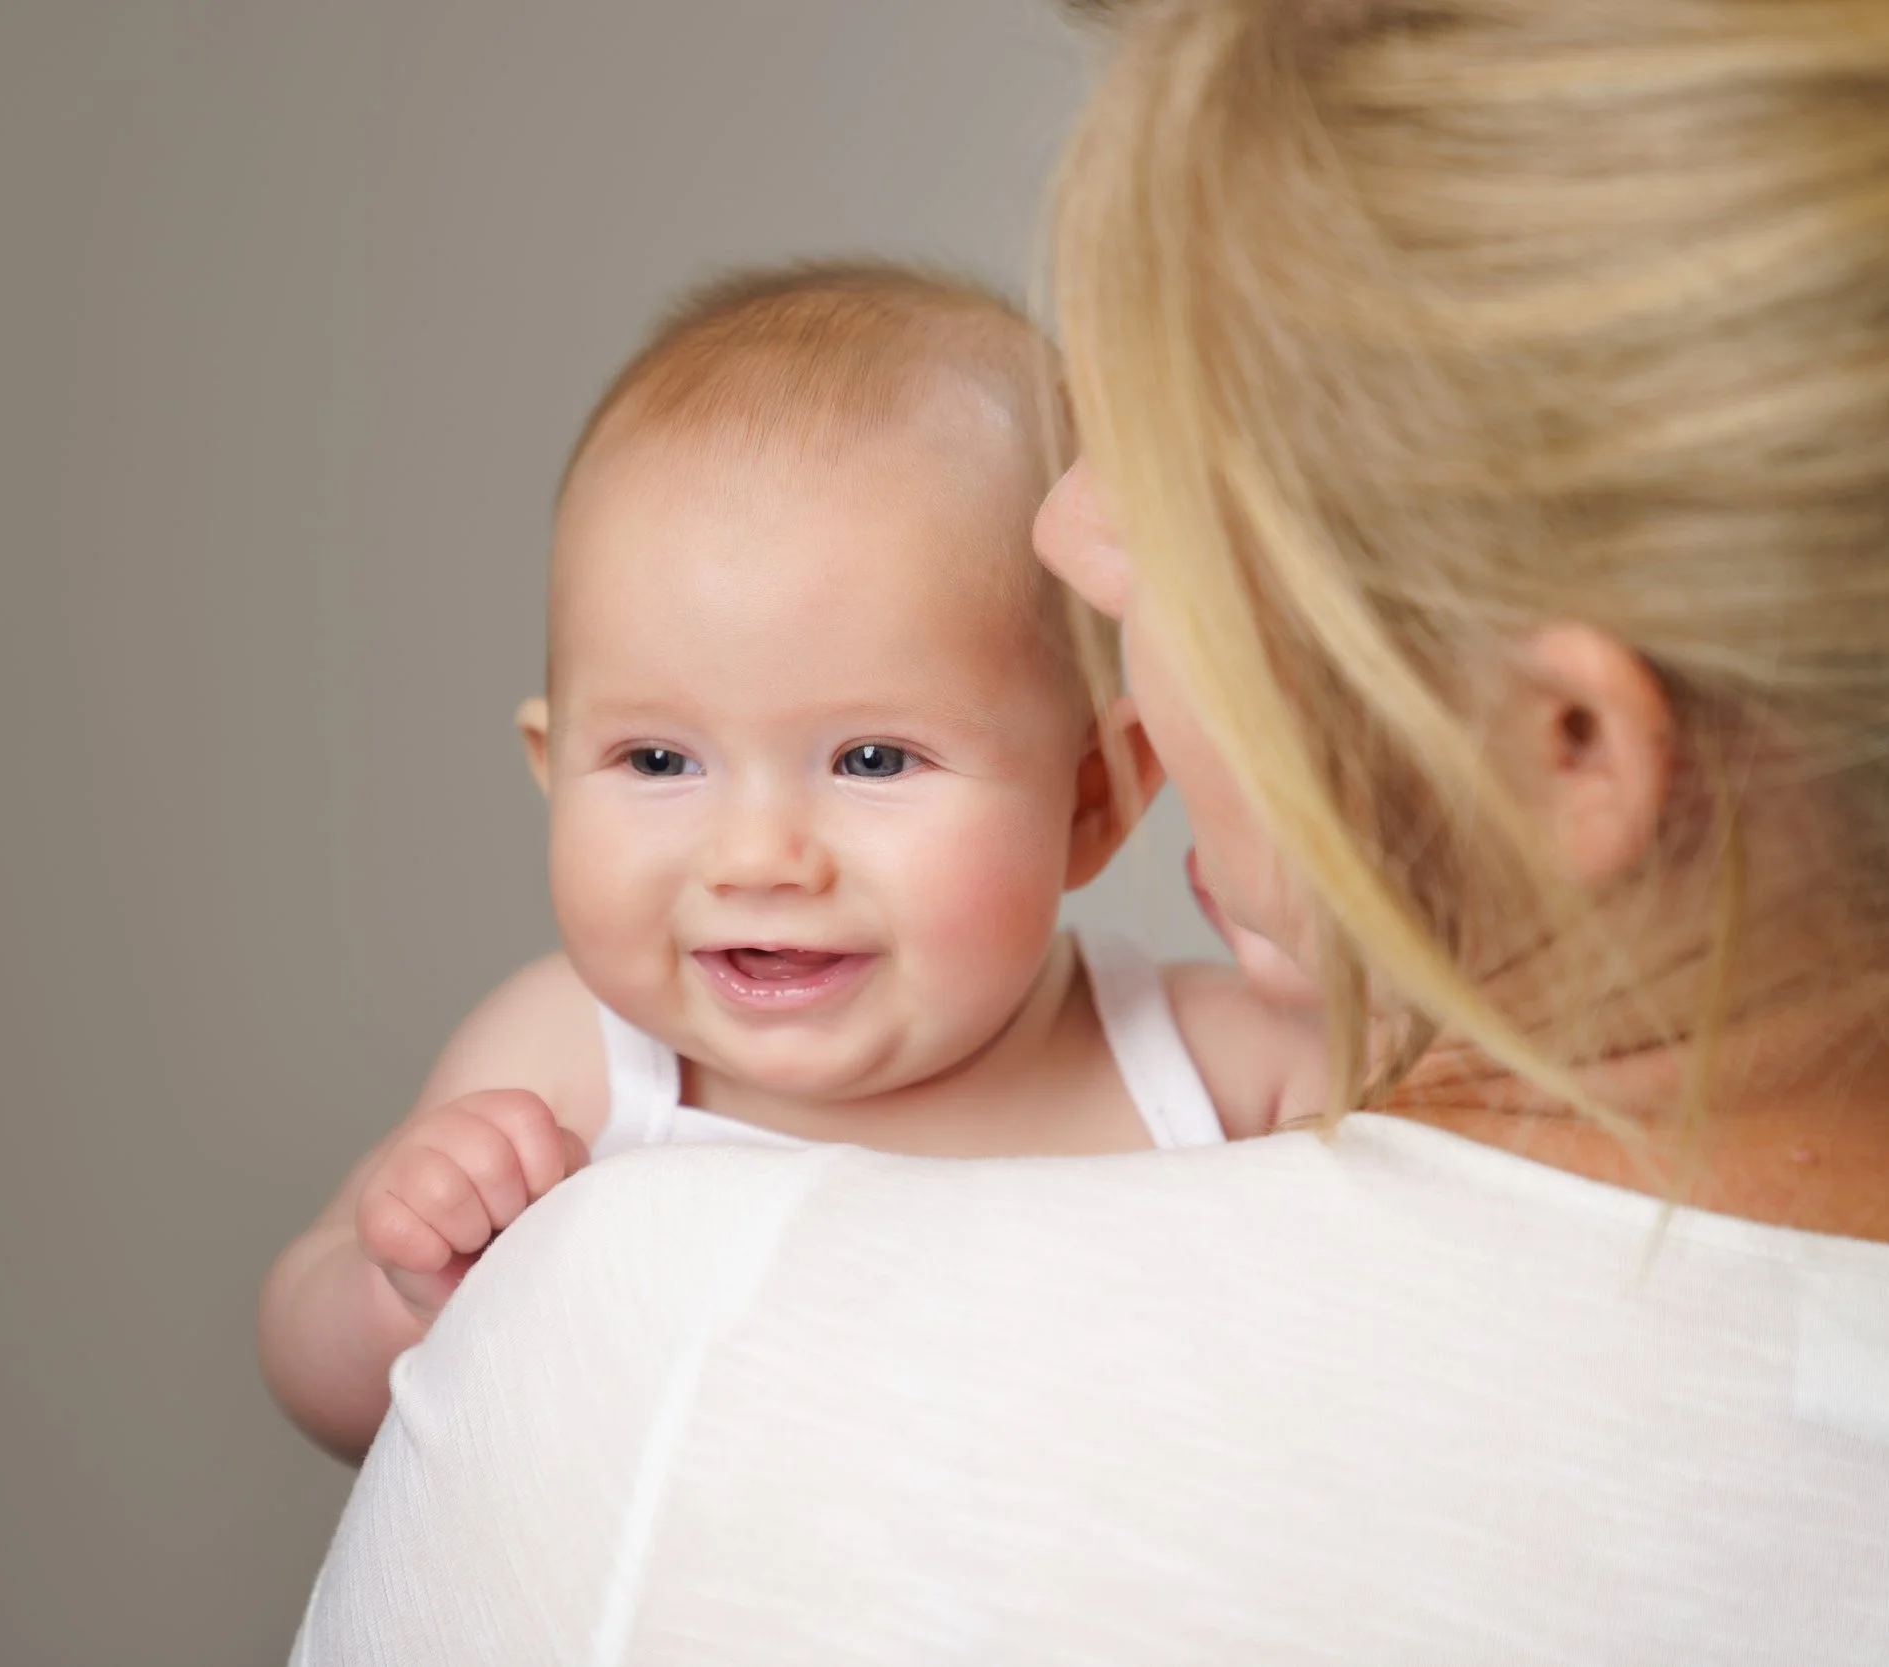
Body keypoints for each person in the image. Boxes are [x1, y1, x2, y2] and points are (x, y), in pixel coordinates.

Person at [291, 0, 1889, 1658]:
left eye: (1182, 479)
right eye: (659, 761)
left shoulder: (661, 1356)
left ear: (1562, 751)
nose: (1069, 535)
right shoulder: (567, 1072)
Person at [259, 263, 1317, 1463]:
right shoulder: (567, 1068)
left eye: (871, 758)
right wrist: (398, 1291)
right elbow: (312, 1364)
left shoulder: (1215, 1071)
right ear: (552, 768)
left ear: (1092, 798)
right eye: (659, 760)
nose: (757, 855)